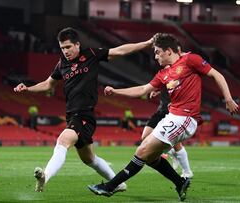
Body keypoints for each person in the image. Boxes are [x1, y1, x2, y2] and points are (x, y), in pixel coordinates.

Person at [88, 33, 239, 201]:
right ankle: (179, 182)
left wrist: (228, 99)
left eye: (158, 52)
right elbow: (142, 90)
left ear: (169, 51)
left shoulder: (190, 60)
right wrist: (116, 91)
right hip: (171, 116)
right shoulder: (163, 74)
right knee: (150, 155)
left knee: (143, 150)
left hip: (185, 118)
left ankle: (110, 187)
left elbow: (217, 75)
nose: (156, 56)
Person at [14, 27, 155, 192]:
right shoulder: (62, 64)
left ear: (77, 44)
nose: (65, 51)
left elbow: (120, 51)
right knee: (89, 159)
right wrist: (28, 89)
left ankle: (45, 176)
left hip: (84, 115)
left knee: (62, 141)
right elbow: (47, 84)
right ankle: (118, 183)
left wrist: (146, 43)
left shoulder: (91, 54)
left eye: (68, 47)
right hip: (72, 115)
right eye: (62, 48)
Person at [143, 88, 193, 179]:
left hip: (173, 112)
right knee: (145, 136)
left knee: (175, 143)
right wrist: (157, 90)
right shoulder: (163, 75)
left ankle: (187, 172)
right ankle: (172, 154)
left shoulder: (181, 77)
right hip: (161, 110)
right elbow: (162, 84)